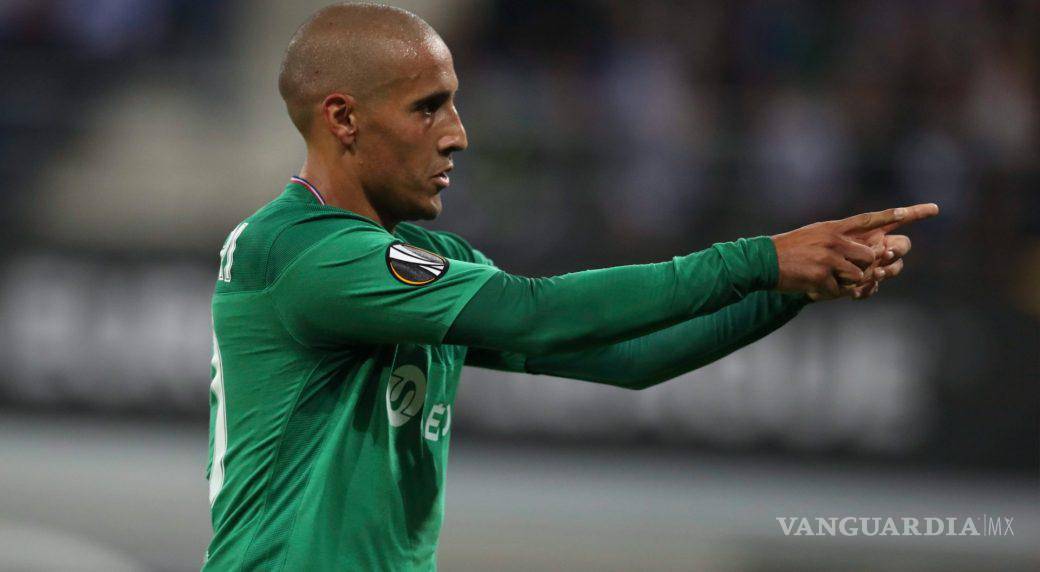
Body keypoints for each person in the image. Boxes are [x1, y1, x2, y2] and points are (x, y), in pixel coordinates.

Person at [202, 3, 939, 570]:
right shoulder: (299, 251)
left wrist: (797, 286)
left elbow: (628, 359)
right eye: (428, 107)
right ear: (343, 118)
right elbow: (535, 313)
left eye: (453, 102)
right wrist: (757, 260)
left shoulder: (423, 253)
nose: (457, 133)